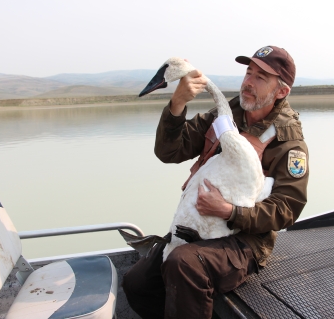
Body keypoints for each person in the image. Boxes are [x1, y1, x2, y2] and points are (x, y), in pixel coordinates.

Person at [122, 46, 309, 319]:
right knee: (136, 283)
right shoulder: (224, 115)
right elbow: (169, 152)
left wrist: (228, 211)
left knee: (182, 262)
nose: (248, 82)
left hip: (246, 242)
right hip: (201, 227)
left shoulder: (288, 142)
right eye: (249, 72)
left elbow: (286, 209)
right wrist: (177, 106)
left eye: (260, 77)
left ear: (281, 92)